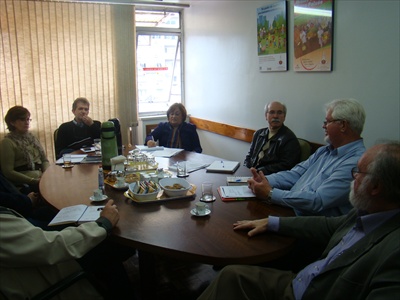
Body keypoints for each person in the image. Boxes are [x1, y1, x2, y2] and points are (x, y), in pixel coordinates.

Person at [198, 142, 400, 300]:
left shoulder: (393, 252)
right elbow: (328, 225)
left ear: (375, 187)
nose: (352, 178)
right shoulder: (365, 212)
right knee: (231, 275)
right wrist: (272, 222)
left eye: (358, 174)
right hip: (300, 281)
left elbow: (319, 201)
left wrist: (270, 194)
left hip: (308, 292)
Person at [248, 98, 366, 217]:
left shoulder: (356, 162)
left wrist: (270, 193)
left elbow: (318, 201)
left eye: (327, 122)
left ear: (343, 125)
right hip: (290, 208)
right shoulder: (324, 151)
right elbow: (295, 174)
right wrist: (264, 180)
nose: (323, 126)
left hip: (310, 223)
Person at [0, 199, 136, 299]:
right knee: (111, 250)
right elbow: (52, 247)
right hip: (49, 277)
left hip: (35, 262)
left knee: (111, 248)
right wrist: (103, 224)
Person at [0, 106, 50, 193]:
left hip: (41, 177)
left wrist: (46, 175)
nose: (27, 122)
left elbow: (44, 160)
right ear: (12, 122)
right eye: (22, 120)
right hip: (26, 182)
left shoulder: (33, 138)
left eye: (28, 119)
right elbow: (8, 172)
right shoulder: (7, 142)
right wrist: (32, 180)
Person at [244, 101, 301, 174]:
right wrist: (247, 170)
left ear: (284, 117)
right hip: (251, 174)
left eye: (279, 113)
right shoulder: (258, 134)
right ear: (266, 116)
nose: (275, 116)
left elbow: (286, 166)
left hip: (269, 178)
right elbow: (249, 157)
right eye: (272, 112)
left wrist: (259, 171)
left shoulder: (290, 139)